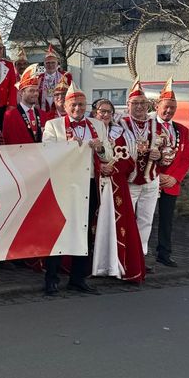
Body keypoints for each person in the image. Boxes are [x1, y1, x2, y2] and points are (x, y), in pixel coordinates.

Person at [41, 79, 110, 295]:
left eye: (81, 104)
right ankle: (51, 278)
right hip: (63, 183)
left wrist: (100, 149)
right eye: (74, 105)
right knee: (58, 228)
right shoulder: (53, 125)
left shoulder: (98, 125)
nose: (78, 108)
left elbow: (108, 156)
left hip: (88, 183)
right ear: (65, 105)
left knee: (85, 230)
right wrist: (71, 147)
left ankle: (78, 278)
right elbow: (48, 153)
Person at [91, 99, 146, 283]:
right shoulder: (88, 130)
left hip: (115, 186)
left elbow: (129, 161)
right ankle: (92, 265)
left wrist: (112, 168)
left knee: (116, 224)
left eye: (109, 112)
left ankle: (114, 264)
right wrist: (99, 167)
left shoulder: (121, 134)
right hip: (93, 183)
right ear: (95, 113)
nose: (105, 115)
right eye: (102, 111)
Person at [153, 79, 189, 268]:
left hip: (170, 183)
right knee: (142, 220)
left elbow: (186, 158)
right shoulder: (148, 126)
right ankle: (139, 254)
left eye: (173, 108)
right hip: (150, 180)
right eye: (166, 107)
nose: (169, 111)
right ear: (157, 106)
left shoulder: (182, 130)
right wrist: (157, 175)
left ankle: (164, 253)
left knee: (167, 221)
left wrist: (174, 177)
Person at [119, 78, 161, 257]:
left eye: (142, 103)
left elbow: (168, 148)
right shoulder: (120, 124)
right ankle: (125, 254)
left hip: (151, 178)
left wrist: (159, 155)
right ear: (128, 105)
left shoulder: (156, 124)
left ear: (148, 105)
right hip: (129, 180)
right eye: (135, 103)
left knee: (146, 219)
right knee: (126, 218)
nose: (139, 106)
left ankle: (140, 255)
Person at [2, 65, 44, 145]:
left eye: (37, 91)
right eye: (31, 91)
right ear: (21, 93)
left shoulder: (43, 114)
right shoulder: (10, 115)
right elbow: (6, 140)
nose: (35, 93)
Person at [37, 44, 73, 118]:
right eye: (48, 63)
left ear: (57, 64)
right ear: (44, 65)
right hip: (43, 111)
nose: (50, 65)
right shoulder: (39, 78)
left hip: (60, 111)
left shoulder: (66, 76)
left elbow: (70, 94)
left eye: (53, 62)